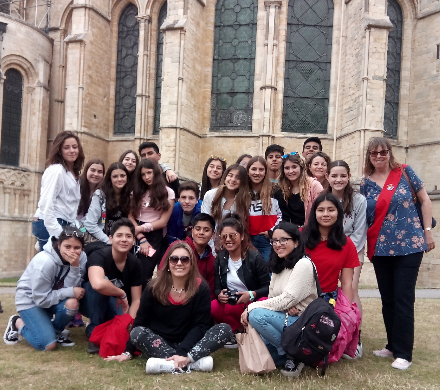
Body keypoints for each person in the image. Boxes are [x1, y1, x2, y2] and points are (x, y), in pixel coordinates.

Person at [360, 137, 435, 370]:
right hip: (381, 249)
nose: (379, 156)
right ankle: (392, 344)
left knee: (403, 299)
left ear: (390, 153)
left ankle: (404, 353)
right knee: (388, 300)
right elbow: (366, 217)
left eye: (383, 152)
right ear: (369, 157)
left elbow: (425, 201)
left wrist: (428, 232)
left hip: (409, 246)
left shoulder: (404, 172)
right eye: (374, 153)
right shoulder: (365, 183)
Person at [104, 241, 232, 375]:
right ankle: (190, 362)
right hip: (160, 343)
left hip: (190, 342)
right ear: (168, 263)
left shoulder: (201, 288)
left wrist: (183, 351)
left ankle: (174, 362)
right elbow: (141, 320)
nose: (179, 263)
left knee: (225, 329)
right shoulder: (154, 287)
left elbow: (201, 326)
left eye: (185, 259)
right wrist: (128, 352)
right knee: (137, 332)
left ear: (192, 263)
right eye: (174, 259)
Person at [241, 222, 318, 377]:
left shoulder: (303, 264)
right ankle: (287, 353)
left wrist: (251, 307)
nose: (278, 244)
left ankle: (294, 353)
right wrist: (284, 305)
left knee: (256, 315)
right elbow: (274, 299)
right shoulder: (279, 265)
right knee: (261, 358)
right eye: (275, 241)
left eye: (283, 240)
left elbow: (288, 298)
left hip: (301, 321)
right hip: (286, 317)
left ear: (296, 242)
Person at [4, 227, 87, 350]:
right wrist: (70, 291)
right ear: (59, 245)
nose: (72, 252)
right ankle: (17, 322)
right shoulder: (45, 262)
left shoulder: (81, 258)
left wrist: (75, 267)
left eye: (77, 248)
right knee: (48, 345)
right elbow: (41, 300)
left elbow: (69, 290)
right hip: (31, 300)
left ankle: (56, 332)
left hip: (52, 297)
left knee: (72, 303)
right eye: (67, 247)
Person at [80, 218, 142, 353]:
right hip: (87, 300)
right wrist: (121, 293)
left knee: (119, 326)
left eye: (128, 236)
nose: (124, 239)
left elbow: (137, 299)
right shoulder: (99, 255)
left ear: (133, 241)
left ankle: (102, 327)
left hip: (114, 302)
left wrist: (128, 322)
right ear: (110, 239)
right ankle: (94, 329)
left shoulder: (135, 263)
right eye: (119, 235)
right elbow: (98, 284)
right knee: (97, 287)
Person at [327, 160, 367, 358]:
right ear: (327, 177)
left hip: (352, 250)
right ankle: (332, 334)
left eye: (343, 175)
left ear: (349, 177)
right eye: (334, 176)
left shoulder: (359, 200)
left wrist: (344, 251)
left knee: (350, 292)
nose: (338, 179)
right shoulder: (324, 198)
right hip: (328, 249)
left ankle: (354, 337)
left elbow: (359, 233)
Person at [211, 214, 270, 348]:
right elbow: (217, 287)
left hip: (252, 302)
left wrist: (251, 294)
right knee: (214, 306)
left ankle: (251, 331)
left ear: (242, 236)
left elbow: (268, 288)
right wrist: (220, 295)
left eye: (232, 236)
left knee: (260, 306)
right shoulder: (221, 258)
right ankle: (238, 330)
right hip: (234, 303)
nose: (228, 240)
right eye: (224, 236)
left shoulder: (254, 257)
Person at [32, 131, 85, 251]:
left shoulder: (73, 172)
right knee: (52, 265)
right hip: (53, 222)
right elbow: (47, 202)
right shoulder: (56, 170)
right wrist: (56, 232)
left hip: (64, 223)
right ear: (59, 150)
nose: (72, 150)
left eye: (75, 147)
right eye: (66, 148)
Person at [302, 193, 359, 304]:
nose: (326, 214)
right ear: (314, 213)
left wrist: (346, 309)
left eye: (331, 210)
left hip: (328, 300)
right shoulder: (299, 237)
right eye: (321, 210)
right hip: (299, 297)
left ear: (338, 213)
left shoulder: (346, 244)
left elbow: (347, 283)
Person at [130, 158, 175, 286]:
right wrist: (140, 235)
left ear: (156, 172)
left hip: (154, 233)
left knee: (145, 273)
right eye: (143, 174)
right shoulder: (136, 191)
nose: (147, 177)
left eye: (149, 173)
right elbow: (130, 215)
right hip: (135, 230)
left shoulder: (168, 192)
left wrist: (141, 229)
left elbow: (163, 222)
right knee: (130, 270)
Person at [160, 213, 216, 299]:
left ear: (212, 235)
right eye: (198, 229)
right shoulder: (177, 248)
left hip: (196, 301)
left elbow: (210, 292)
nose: (201, 233)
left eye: (206, 230)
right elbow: (162, 271)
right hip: (170, 295)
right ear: (192, 232)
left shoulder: (212, 260)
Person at [201, 164, 250, 254]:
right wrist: (211, 251)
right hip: (209, 243)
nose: (233, 180)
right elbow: (206, 222)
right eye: (230, 175)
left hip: (232, 245)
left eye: (238, 178)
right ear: (225, 177)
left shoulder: (244, 200)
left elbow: (241, 227)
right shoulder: (210, 195)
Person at [83, 162, 131, 244]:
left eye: (122, 176)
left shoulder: (130, 196)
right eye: (115, 176)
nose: (119, 179)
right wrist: (109, 241)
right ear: (110, 178)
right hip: (101, 240)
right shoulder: (100, 195)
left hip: (122, 240)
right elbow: (90, 224)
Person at [247, 156, 282, 261]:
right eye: (253, 169)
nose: (257, 173)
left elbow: (281, 215)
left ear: (266, 172)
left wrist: (272, 232)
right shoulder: (242, 192)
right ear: (248, 171)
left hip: (267, 240)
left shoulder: (275, 190)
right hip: (247, 239)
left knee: (267, 272)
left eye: (261, 169)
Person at [273, 152, 323, 226]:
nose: (291, 171)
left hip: (309, 232)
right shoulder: (280, 189)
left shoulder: (314, 186)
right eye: (287, 168)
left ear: (301, 167)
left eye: (294, 167)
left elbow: (321, 212)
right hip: (288, 232)